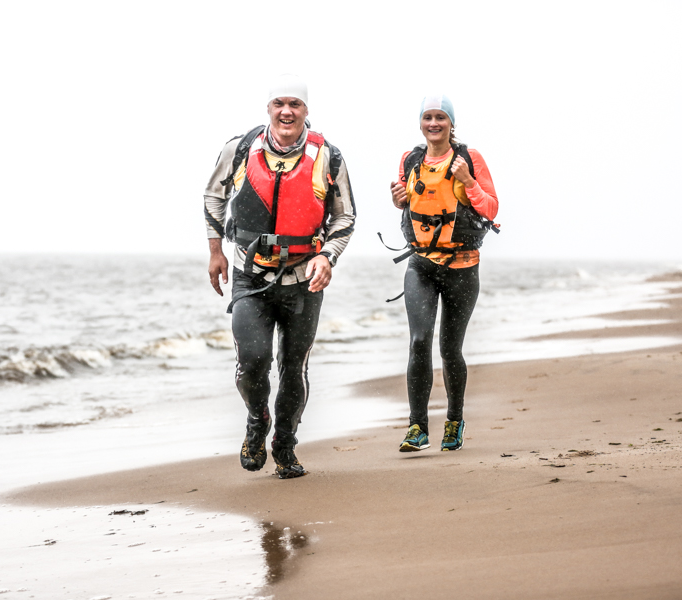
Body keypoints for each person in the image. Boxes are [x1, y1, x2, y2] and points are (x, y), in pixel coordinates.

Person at [204, 74, 356, 479]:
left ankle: (285, 445)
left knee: (293, 368)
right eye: (279, 104)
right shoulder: (240, 149)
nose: (286, 111)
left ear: (306, 110)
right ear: (269, 109)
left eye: (295, 104)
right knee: (253, 362)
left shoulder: (328, 156)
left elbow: (345, 216)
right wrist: (216, 251)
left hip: (303, 280)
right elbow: (214, 195)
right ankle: (258, 420)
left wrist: (327, 256)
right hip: (250, 276)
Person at [388, 93, 498, 453]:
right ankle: (417, 427)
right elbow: (409, 203)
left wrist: (468, 181)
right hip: (421, 265)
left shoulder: (469, 158)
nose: (433, 123)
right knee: (419, 341)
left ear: (451, 123)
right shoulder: (410, 160)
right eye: (428, 117)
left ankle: (454, 420)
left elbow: (491, 208)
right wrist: (398, 200)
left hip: (462, 267)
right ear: (421, 123)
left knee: (450, 349)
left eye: (440, 117)